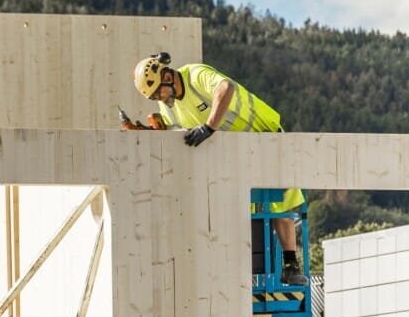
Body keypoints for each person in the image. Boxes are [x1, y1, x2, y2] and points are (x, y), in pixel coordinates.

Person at [132, 52, 308, 286]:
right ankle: (243, 272)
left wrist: (208, 126)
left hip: (264, 137)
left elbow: (226, 87)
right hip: (234, 159)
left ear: (166, 76)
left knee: (281, 202)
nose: (160, 99)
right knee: (245, 213)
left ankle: (290, 266)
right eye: (154, 97)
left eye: (158, 92)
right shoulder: (168, 109)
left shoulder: (195, 75)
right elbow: (174, 134)